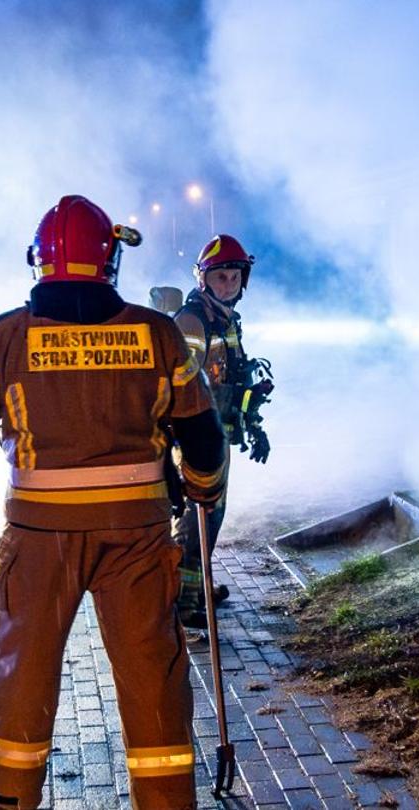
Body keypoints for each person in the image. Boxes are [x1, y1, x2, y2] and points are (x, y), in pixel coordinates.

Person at [0, 195, 227, 810]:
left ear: (39, 262)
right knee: (153, 674)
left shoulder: (4, 337)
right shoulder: (156, 333)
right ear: (110, 259)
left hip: (39, 538)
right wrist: (203, 488)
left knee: (24, 669)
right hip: (138, 539)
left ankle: (7, 798)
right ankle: (167, 801)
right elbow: (204, 436)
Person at [172, 233, 273, 629]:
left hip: (218, 431)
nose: (228, 285)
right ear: (204, 281)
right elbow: (184, 386)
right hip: (197, 436)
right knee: (199, 516)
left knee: (211, 514)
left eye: (234, 277)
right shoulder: (192, 321)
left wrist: (253, 422)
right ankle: (182, 603)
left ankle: (198, 587)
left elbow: (233, 378)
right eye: (220, 279)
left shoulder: (226, 320)